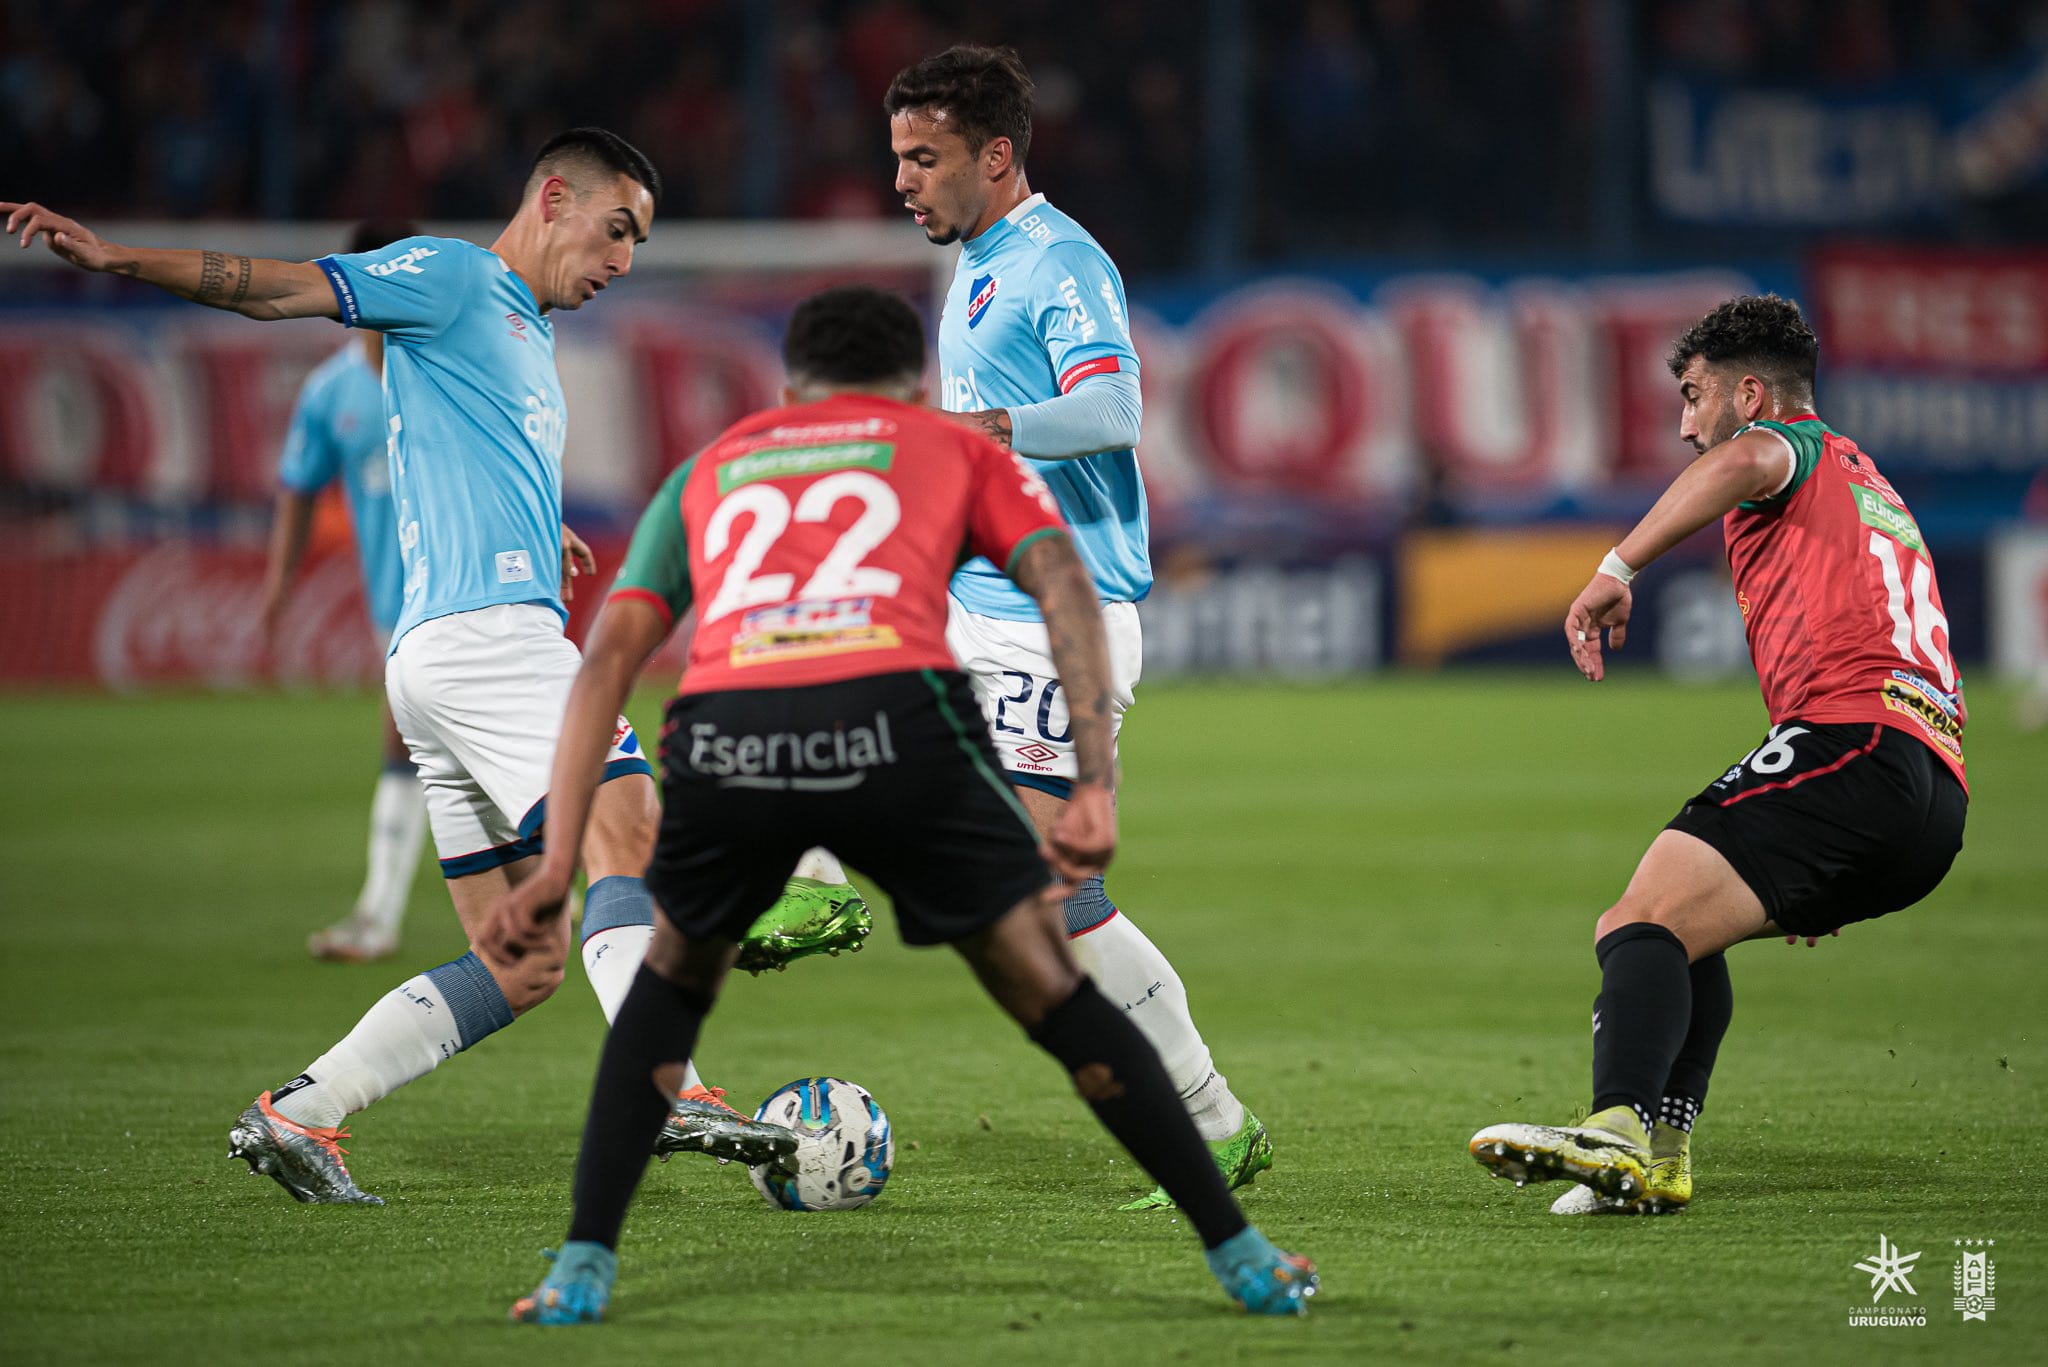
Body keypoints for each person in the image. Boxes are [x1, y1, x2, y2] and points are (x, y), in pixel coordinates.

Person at [5, 129, 840, 1204]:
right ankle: (665, 1085)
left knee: (522, 958)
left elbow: (463, 460)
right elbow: (280, 292)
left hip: (440, 666)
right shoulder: (454, 275)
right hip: (492, 649)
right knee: (625, 830)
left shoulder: (522, 333)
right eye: (616, 229)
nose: (623, 261)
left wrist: (541, 528)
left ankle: (299, 1110)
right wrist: (121, 259)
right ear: (552, 197)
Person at [485, 284, 1317, 1323]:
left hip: (731, 730)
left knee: (665, 990)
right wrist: (1092, 782)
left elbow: (608, 654)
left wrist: (562, 861)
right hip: (892, 724)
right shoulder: (951, 447)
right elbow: (1061, 583)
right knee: (1053, 990)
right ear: (916, 386)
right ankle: (1240, 1254)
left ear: (789, 386)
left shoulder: (714, 466)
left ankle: (579, 1268)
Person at [1468, 294, 1968, 1213]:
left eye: (1695, 397)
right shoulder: (1867, 481)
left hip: (1855, 741)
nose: (1686, 424)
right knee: (1684, 926)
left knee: (1635, 923)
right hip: (1931, 794)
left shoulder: (1790, 445)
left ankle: (1611, 1125)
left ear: (1750, 394)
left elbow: (1745, 460)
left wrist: (1616, 569)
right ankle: (1659, 1157)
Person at [884, 44, 1269, 1212]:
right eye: (896, 156)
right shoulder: (979, 261)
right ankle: (812, 874)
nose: (901, 180)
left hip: (1063, 621)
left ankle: (1209, 1118)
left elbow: (1112, 407)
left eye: (924, 157)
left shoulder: (1057, 258)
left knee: (1052, 898)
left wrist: (981, 430)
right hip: (982, 608)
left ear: (994, 157)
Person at [260, 219, 428, 964]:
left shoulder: (446, 369)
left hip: (466, 590)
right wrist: (278, 584)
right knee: (460, 756)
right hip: (392, 602)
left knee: (410, 741)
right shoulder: (331, 393)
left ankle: (378, 916)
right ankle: (565, 888)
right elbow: (297, 487)